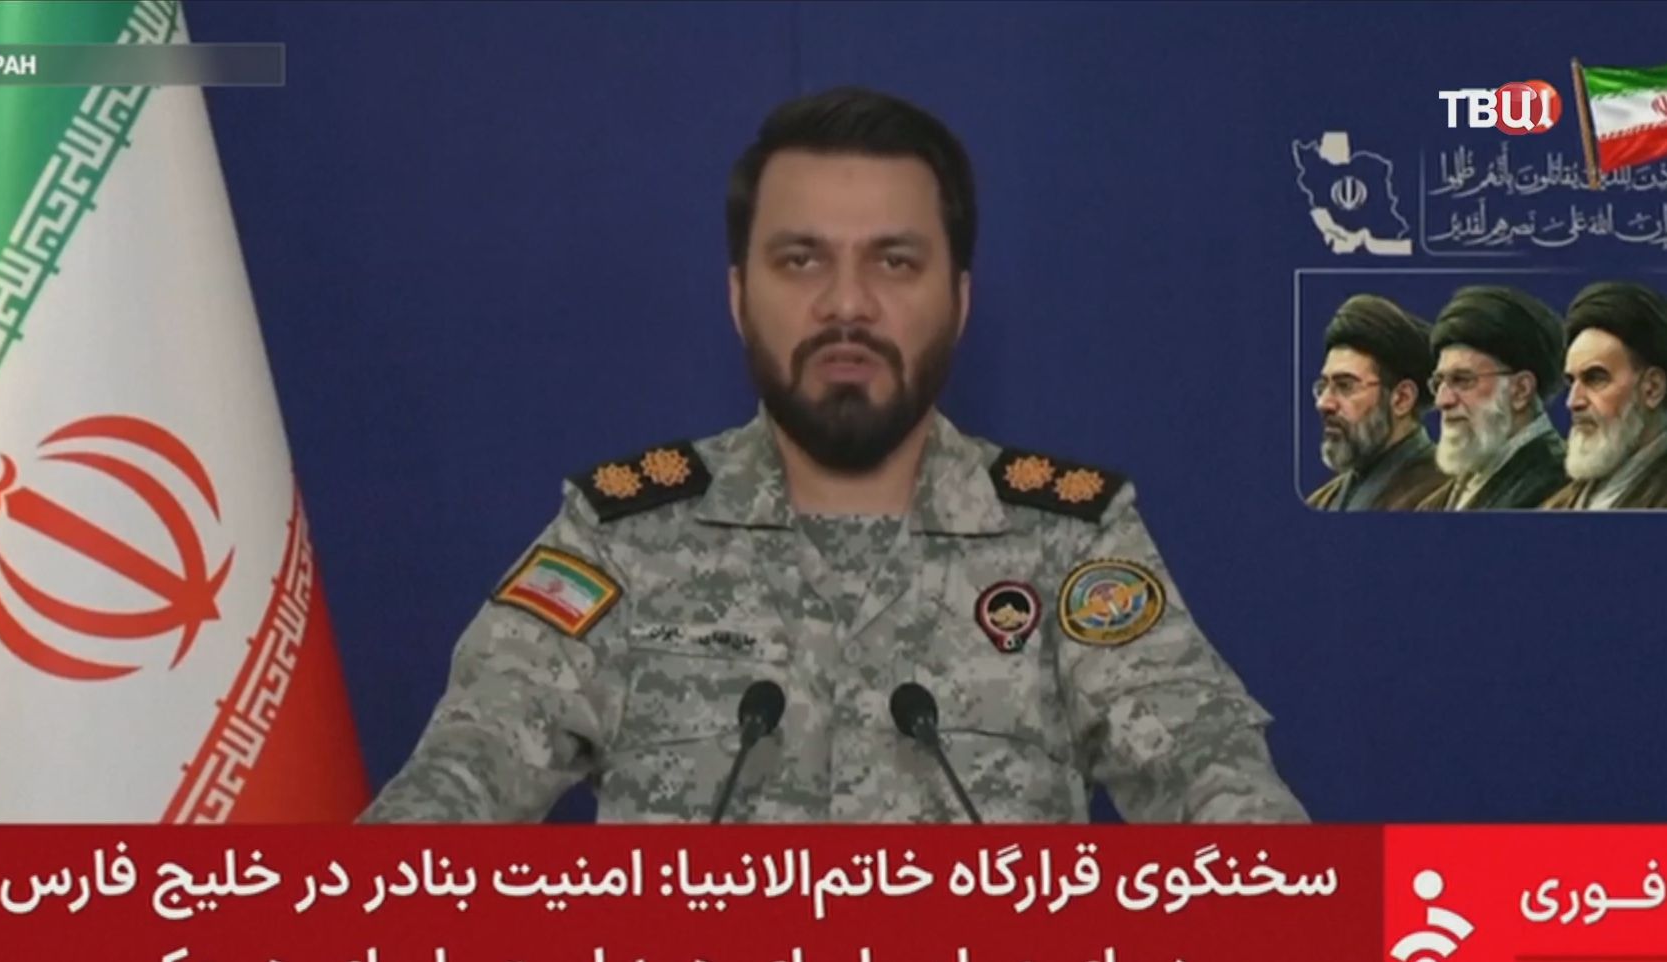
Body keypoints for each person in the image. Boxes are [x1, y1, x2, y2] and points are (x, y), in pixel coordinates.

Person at [362, 87, 1306, 824]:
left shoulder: (1068, 541)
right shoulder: (621, 538)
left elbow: (1207, 770)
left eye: (894, 261)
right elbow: (466, 770)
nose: (847, 304)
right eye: (801, 260)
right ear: (739, 297)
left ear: (959, 302)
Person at [1416, 286, 1567, 511]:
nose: (1442, 401)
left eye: (1462, 380)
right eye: (1439, 383)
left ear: (1520, 390)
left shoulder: (1558, 487)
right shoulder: (1445, 496)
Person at [1306, 294, 1443, 510]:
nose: (1324, 403)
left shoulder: (1450, 496)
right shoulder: (1321, 501)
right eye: (1323, 386)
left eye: (1345, 385)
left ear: (1402, 398)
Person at [1543, 282, 1667, 509]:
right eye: (1571, 382)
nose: (1573, 402)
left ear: (1652, 388)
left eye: (1595, 379)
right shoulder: (1559, 504)